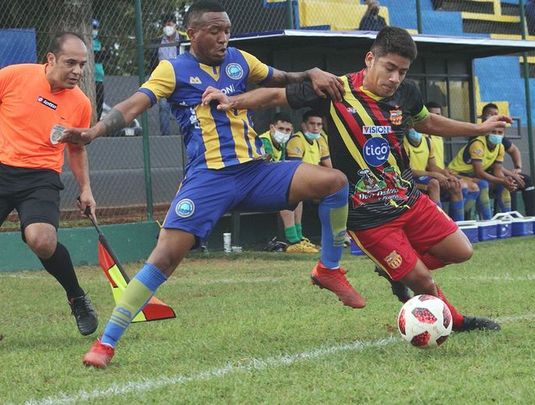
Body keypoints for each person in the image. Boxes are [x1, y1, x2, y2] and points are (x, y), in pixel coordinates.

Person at [60, 1, 361, 369]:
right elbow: (134, 105)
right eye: (215, 31)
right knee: (165, 257)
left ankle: (329, 269)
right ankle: (106, 344)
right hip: (208, 180)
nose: (223, 38)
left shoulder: (240, 60)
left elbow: (281, 78)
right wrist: (95, 130)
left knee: (334, 182)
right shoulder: (173, 69)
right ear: (192, 34)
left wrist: (310, 72)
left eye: (227, 31)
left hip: (256, 172)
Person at [204, 26, 508, 334]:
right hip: (368, 217)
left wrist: (479, 129)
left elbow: (427, 122)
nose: (394, 78)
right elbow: (274, 95)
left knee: (462, 251)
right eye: (389, 68)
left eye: (402, 72)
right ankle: (455, 321)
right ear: (370, 59)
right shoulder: (335, 90)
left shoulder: (407, 93)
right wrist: (233, 102)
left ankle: (395, 270)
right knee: (424, 282)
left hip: (409, 200)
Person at [0, 32, 98, 336]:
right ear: (51, 59)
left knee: (42, 240)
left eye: (82, 65)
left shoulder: (81, 104)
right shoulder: (13, 76)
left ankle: (77, 297)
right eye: (71, 63)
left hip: (41, 176)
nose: (77, 72)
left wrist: (85, 189)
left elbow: (77, 148)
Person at [257, 112, 318, 253]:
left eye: (287, 130)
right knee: (285, 193)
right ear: (272, 128)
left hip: (267, 183)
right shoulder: (264, 141)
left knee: (298, 192)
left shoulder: (282, 145)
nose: (284, 133)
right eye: (281, 129)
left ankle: (299, 236)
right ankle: (293, 240)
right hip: (254, 184)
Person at [282, 110, 331, 253]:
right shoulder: (297, 140)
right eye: (312, 124)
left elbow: (330, 167)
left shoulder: (320, 140)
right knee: (294, 193)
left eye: (319, 124)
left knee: (340, 191)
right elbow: (296, 169)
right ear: (303, 125)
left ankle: (335, 237)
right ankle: (293, 240)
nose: (316, 128)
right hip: (295, 181)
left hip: (311, 183)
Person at [423, 102, 480, 220]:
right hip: (431, 177)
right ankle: (449, 222)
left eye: (439, 114)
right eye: (434, 115)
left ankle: (462, 219)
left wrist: (447, 173)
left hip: (442, 173)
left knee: (475, 187)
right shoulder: (424, 137)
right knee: (461, 186)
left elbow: (436, 164)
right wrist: (444, 175)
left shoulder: (439, 135)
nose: (437, 118)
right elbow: (430, 166)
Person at [448, 126, 520, 218]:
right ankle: (483, 220)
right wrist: (502, 180)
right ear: (487, 132)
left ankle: (507, 219)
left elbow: (497, 172)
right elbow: (479, 172)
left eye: (500, 132)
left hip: (471, 176)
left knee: (503, 186)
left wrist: (507, 181)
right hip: (456, 173)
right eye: (493, 132)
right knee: (483, 184)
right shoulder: (478, 144)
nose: (496, 135)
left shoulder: (500, 147)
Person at [481, 103, 535, 215]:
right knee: (509, 182)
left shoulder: (498, 136)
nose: (493, 117)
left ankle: (532, 217)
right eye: (490, 115)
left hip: (497, 172)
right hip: (482, 174)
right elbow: (490, 165)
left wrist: (517, 168)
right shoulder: (478, 136)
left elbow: (514, 150)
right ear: (483, 117)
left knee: (526, 180)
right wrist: (511, 175)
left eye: (496, 115)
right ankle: (512, 216)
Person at [403, 128, 465, 221]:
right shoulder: (402, 143)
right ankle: (440, 223)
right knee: (434, 184)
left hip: (425, 177)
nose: (415, 129)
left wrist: (447, 175)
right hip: (408, 179)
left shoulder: (428, 142)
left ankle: (458, 224)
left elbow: (432, 166)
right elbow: (406, 171)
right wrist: (434, 175)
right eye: (411, 126)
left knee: (454, 185)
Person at [151, 14, 187, 135]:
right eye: (166, 24)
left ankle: (185, 132)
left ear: (175, 25)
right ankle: (165, 135)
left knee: (183, 106)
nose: (168, 26)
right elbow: (152, 61)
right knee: (163, 107)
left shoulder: (183, 38)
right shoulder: (158, 41)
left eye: (170, 24)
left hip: (181, 77)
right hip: (164, 79)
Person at [92, 18, 108, 120]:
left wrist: (99, 54)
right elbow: (93, 56)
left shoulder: (98, 41)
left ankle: (97, 121)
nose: (94, 30)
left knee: (99, 102)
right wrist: (99, 54)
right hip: (90, 78)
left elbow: (105, 55)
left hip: (99, 77)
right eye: (93, 27)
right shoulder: (87, 42)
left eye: (96, 28)